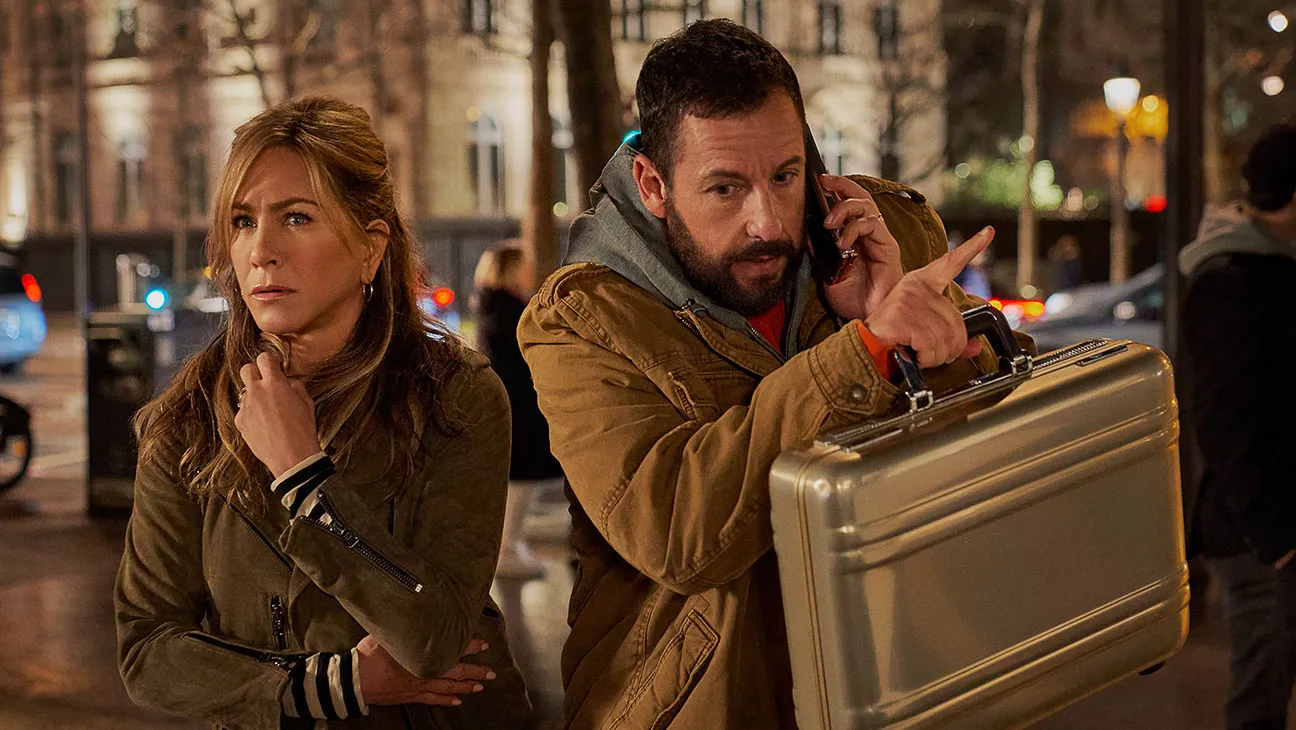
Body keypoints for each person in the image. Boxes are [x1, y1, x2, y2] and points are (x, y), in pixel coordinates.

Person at [517, 20, 1030, 729]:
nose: (766, 222)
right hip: (709, 703)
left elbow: (1000, 433)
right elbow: (677, 532)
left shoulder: (877, 233)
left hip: (899, 680)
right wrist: (864, 350)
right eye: (725, 188)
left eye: (785, 177)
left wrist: (911, 340)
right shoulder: (582, 319)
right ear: (654, 185)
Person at [115, 97, 532, 729]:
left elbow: (433, 636)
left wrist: (306, 477)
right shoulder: (189, 418)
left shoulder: (454, 397)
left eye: (297, 217)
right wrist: (331, 685)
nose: (261, 250)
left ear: (369, 248)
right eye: (242, 221)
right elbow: (148, 649)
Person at [1179, 120, 1296, 730]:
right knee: (1259, 702)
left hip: (1270, 530)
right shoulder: (1229, 281)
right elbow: (1224, 421)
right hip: (1261, 538)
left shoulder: (1270, 269)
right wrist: (1276, 541)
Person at [472, 245, 564, 580]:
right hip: (518, 411)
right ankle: (506, 549)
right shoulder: (507, 311)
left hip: (517, 409)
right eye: (524, 265)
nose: (529, 270)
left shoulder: (496, 305)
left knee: (519, 481)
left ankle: (509, 546)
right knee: (518, 482)